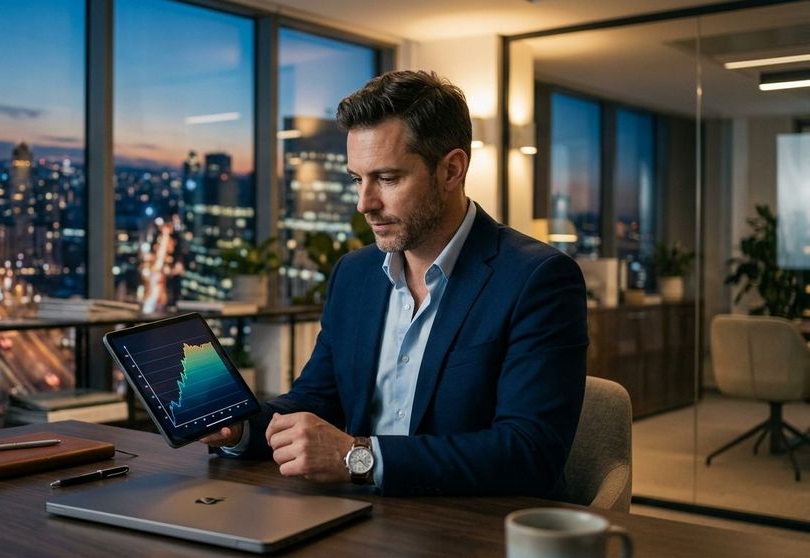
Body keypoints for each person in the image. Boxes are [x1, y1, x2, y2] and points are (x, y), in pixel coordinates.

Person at [202, 70, 587, 498]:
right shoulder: (354, 274)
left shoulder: (538, 278)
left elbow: (530, 453)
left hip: (475, 523)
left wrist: (358, 458)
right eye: (357, 179)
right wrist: (241, 428)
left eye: (387, 179)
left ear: (451, 170)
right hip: (360, 515)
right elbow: (317, 399)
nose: (364, 203)